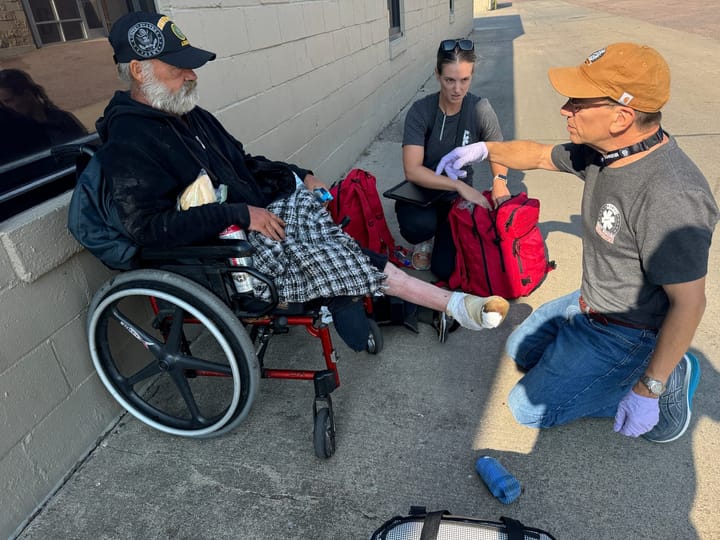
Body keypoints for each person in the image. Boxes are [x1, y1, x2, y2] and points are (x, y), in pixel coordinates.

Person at [97, 12, 510, 352]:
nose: (191, 76)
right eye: (179, 67)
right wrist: (242, 213)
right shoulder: (131, 141)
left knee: (332, 232)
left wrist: (298, 175)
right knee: (339, 258)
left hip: (259, 216)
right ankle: (451, 305)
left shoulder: (189, 115)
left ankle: (398, 300)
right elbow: (148, 229)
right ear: (138, 70)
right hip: (226, 248)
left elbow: (244, 163)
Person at [436, 42, 719, 443]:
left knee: (527, 409)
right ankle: (609, 364)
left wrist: (648, 389)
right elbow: (537, 155)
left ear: (622, 116)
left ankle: (666, 381)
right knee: (519, 351)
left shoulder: (672, 195)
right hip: (589, 301)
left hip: (628, 329)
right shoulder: (605, 153)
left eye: (578, 102)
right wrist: (483, 150)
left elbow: (690, 302)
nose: (565, 109)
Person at [396, 38, 510, 277]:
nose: (457, 89)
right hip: (422, 193)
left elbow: (499, 150)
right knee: (419, 226)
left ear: (472, 75)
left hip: (456, 200)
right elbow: (412, 169)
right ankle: (425, 239)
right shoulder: (421, 111)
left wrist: (500, 181)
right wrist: (458, 185)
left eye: (464, 80)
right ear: (437, 74)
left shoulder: (480, 108)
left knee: (445, 270)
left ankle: (445, 233)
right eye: (449, 80)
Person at [0, 69, 87, 151]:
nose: (5, 107)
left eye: (8, 101)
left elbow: (87, 147)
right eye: (2, 103)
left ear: (27, 94)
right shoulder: (12, 134)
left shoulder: (62, 119)